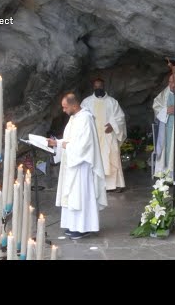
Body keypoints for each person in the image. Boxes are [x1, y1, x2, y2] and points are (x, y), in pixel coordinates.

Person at [47, 91, 107, 240]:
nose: (64, 110)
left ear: (74, 105)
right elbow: (70, 140)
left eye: (65, 107)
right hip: (71, 163)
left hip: (81, 165)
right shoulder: (74, 118)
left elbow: (83, 145)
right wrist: (58, 143)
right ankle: (73, 225)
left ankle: (83, 227)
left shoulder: (85, 118)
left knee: (80, 196)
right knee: (71, 195)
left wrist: (61, 144)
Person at [82, 78, 127, 192]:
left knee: (112, 159)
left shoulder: (112, 102)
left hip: (109, 136)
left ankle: (114, 185)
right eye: (96, 87)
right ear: (93, 87)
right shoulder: (86, 102)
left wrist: (113, 125)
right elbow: (81, 119)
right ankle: (94, 186)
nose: (98, 89)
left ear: (104, 87)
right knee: (94, 160)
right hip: (92, 138)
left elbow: (120, 117)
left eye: (100, 86)